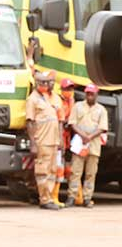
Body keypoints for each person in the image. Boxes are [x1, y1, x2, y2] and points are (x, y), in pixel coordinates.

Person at [66, 84, 108, 208]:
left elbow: (102, 128)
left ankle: (87, 198)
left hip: (94, 145)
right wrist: (83, 136)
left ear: (96, 95)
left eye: (92, 94)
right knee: (75, 172)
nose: (89, 96)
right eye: (88, 94)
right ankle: (71, 197)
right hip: (80, 143)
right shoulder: (78, 106)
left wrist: (89, 137)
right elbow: (72, 123)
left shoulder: (101, 110)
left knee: (91, 173)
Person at [25, 70, 62, 210]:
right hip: (42, 140)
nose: (46, 84)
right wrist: (33, 143)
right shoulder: (32, 99)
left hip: (53, 140)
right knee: (43, 171)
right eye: (43, 82)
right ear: (36, 83)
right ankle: (44, 199)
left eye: (47, 82)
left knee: (52, 170)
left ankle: (50, 197)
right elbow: (30, 122)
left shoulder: (47, 97)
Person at [56, 78, 76, 207]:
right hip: (59, 138)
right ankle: (54, 195)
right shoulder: (58, 101)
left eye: (70, 89)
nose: (69, 91)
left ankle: (74, 196)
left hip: (69, 139)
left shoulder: (72, 101)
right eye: (67, 89)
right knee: (58, 168)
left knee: (70, 169)